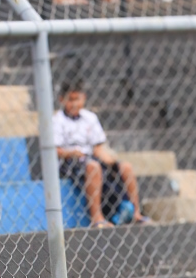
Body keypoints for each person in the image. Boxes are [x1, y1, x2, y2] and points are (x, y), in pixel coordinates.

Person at [53, 84, 148, 226]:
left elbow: (98, 147)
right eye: (70, 100)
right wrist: (72, 152)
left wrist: (110, 160)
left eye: (77, 99)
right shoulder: (57, 120)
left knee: (125, 167)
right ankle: (97, 218)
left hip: (90, 157)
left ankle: (136, 213)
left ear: (83, 98)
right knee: (93, 167)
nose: (74, 104)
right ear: (62, 100)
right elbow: (55, 150)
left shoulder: (90, 118)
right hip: (69, 160)